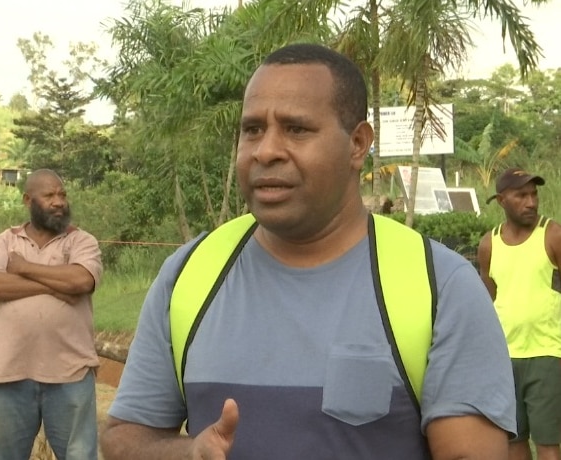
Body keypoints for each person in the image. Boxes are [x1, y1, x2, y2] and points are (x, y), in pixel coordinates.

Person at [100, 43, 516, 459]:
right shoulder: (189, 276)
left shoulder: (438, 286)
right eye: (252, 129)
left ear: (357, 143)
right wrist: (188, 454)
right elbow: (124, 440)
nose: (266, 150)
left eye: (296, 129)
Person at [0, 169, 102, 460]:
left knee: (80, 455)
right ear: (27, 200)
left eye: (62, 194)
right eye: (49, 196)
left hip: (71, 372)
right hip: (10, 372)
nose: (58, 201)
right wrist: (56, 284)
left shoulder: (82, 242)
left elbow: (81, 281)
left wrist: (24, 268)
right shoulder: (4, 242)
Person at [478, 168, 561, 460]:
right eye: (521, 195)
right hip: (504, 358)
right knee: (513, 442)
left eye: (534, 194)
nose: (531, 202)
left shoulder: (553, 235)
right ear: (501, 200)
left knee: (548, 443)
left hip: (547, 355)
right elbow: (489, 301)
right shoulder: (489, 244)